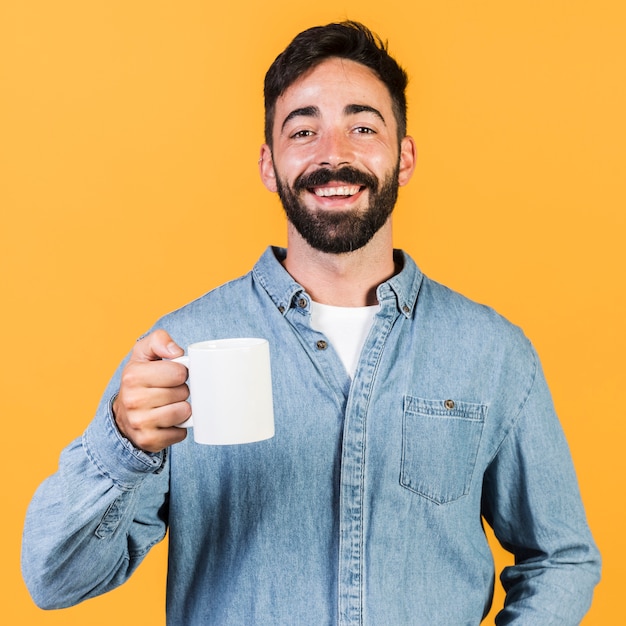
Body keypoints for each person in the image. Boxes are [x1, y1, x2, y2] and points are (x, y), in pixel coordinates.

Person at [22, 21, 600, 625]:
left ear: (403, 157)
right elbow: (55, 579)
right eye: (304, 130)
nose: (334, 155)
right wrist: (121, 444)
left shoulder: (492, 352)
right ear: (269, 164)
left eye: (362, 127)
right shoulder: (179, 352)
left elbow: (560, 558)